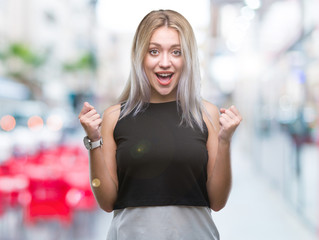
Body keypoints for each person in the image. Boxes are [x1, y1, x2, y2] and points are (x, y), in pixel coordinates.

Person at [78, 9, 242, 240]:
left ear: (188, 58)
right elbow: (106, 202)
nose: (165, 63)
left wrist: (225, 141)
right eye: (154, 51)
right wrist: (94, 140)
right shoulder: (114, 117)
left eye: (176, 52)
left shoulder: (206, 114)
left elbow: (218, 202)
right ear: (139, 56)